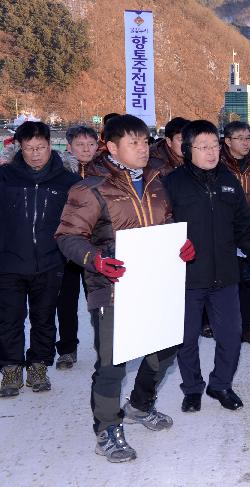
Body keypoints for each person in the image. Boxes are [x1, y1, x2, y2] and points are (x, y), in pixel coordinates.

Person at [55, 114, 194, 463]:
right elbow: (68, 236)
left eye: (145, 141)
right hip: (112, 288)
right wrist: (95, 260)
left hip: (156, 283)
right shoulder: (90, 188)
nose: (143, 149)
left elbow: (167, 223)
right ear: (113, 147)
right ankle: (106, 429)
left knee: (165, 349)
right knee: (113, 364)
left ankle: (140, 405)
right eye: (134, 143)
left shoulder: (158, 181)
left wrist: (181, 244)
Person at [164, 120, 250, 413]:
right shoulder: (171, 184)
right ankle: (192, 388)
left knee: (231, 335)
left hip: (225, 275)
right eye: (203, 147)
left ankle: (221, 385)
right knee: (187, 338)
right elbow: (161, 228)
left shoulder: (229, 181)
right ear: (187, 149)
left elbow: (244, 223)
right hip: (188, 277)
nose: (211, 152)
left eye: (215, 146)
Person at [0, 122, 80, 397]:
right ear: (19, 149)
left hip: (50, 262)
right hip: (9, 262)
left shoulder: (68, 182)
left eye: (41, 148)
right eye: (29, 149)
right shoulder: (6, 177)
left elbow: (78, 222)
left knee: (43, 318)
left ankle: (38, 365)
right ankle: (10, 368)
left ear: (51, 145)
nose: (35, 154)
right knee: (9, 318)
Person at [55, 125, 99, 371]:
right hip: (68, 247)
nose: (86, 149)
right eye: (80, 145)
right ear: (69, 147)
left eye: (90, 144)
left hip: (97, 246)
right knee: (66, 300)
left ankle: (106, 345)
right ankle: (67, 349)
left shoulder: (106, 172)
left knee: (99, 299)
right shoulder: (59, 173)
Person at [220, 121, 250, 345]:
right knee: (224, 283)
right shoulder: (217, 165)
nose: (246, 142)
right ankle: (223, 327)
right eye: (240, 138)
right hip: (222, 234)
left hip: (248, 233)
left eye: (249, 138)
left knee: (248, 283)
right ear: (227, 141)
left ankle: (247, 328)